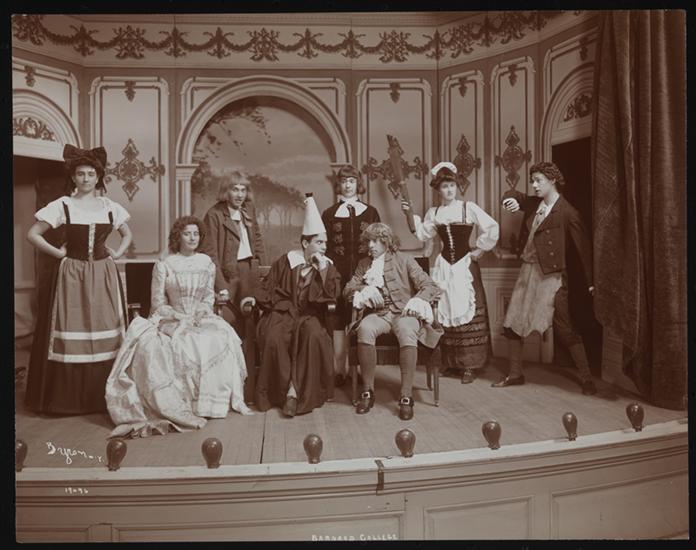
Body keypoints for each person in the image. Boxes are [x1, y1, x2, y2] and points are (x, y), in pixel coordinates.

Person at [106, 216, 252, 438]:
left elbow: (208, 297)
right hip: (172, 318)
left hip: (200, 317)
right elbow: (157, 304)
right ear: (178, 237)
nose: (192, 238)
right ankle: (184, 404)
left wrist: (202, 311)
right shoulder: (165, 264)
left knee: (220, 336)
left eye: (196, 234)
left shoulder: (207, 263)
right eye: (187, 234)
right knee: (180, 342)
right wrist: (179, 316)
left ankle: (210, 404)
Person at [24, 144, 132, 414]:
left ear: (98, 177)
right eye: (81, 174)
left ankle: (104, 397)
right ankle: (68, 401)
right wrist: (59, 253)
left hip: (104, 276)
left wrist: (118, 252)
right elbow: (33, 234)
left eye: (91, 174)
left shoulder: (109, 207)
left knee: (107, 328)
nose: (86, 179)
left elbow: (127, 234)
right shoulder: (63, 205)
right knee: (72, 327)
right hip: (71, 275)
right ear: (73, 177)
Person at [494, 161, 597, 395]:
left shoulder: (568, 213)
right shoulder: (533, 204)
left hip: (552, 276)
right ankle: (515, 374)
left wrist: (592, 283)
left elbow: (584, 250)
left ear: (553, 180)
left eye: (538, 180)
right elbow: (514, 194)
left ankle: (587, 379)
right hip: (527, 272)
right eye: (533, 181)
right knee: (513, 323)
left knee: (564, 328)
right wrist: (510, 200)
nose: (534, 185)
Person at [403, 161, 499, 383]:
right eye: (445, 186)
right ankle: (451, 362)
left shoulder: (468, 208)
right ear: (438, 189)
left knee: (467, 308)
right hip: (444, 266)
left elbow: (492, 227)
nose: (449, 190)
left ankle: (470, 365)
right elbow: (421, 234)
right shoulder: (434, 212)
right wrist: (409, 214)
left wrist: (480, 249)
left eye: (452, 186)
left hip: (464, 266)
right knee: (445, 308)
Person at [252, 194, 341, 417]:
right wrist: (278, 304)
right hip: (284, 313)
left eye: (325, 243)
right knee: (274, 336)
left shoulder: (327, 266)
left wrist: (322, 271)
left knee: (313, 336)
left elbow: (333, 295)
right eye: (319, 242)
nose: (324, 247)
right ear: (305, 243)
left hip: (311, 316)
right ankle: (282, 394)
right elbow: (265, 289)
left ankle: (296, 393)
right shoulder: (286, 261)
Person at [344, 222, 442, 420]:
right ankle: (368, 391)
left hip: (404, 313)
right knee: (365, 329)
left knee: (407, 331)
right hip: (381, 314)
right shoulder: (364, 264)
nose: (370, 245)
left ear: (386, 241)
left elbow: (430, 286)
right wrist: (365, 290)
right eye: (368, 241)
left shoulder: (405, 260)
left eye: (375, 241)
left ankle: (406, 396)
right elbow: (347, 290)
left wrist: (417, 300)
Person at [321, 165, 381, 386]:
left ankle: (363, 374)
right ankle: (340, 371)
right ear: (339, 184)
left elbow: (380, 244)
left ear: (358, 184)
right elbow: (324, 247)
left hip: (365, 274)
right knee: (338, 320)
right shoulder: (329, 214)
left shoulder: (371, 212)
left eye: (352, 181)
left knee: (362, 320)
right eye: (344, 181)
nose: (348, 185)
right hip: (337, 274)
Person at [200, 171, 266, 330]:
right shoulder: (214, 214)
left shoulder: (248, 209)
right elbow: (210, 254)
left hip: (249, 271)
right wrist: (220, 285)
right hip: (228, 274)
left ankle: (249, 348)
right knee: (230, 321)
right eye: (235, 189)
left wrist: (262, 271)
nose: (240, 195)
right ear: (226, 191)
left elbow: (257, 240)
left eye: (243, 190)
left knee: (251, 320)